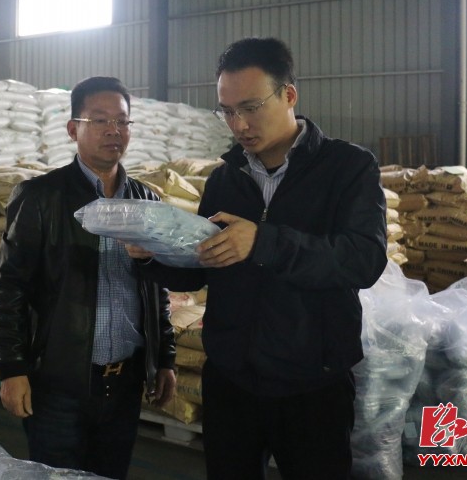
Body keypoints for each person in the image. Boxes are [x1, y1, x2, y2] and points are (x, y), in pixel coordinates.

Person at [131, 37, 388, 479]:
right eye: (228, 112)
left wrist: (263, 242)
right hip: (232, 381)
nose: (240, 124)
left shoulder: (347, 168)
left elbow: (363, 260)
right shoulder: (225, 180)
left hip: (312, 384)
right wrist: (152, 254)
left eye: (250, 107)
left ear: (289, 95)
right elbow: (202, 267)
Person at [0, 76, 177, 480]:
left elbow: (156, 288)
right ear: (73, 128)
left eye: (122, 121)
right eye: (100, 120)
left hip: (124, 384)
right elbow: (10, 288)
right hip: (59, 384)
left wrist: (164, 360)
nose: (113, 130)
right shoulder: (41, 197)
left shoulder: (146, 201)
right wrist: (12, 368)